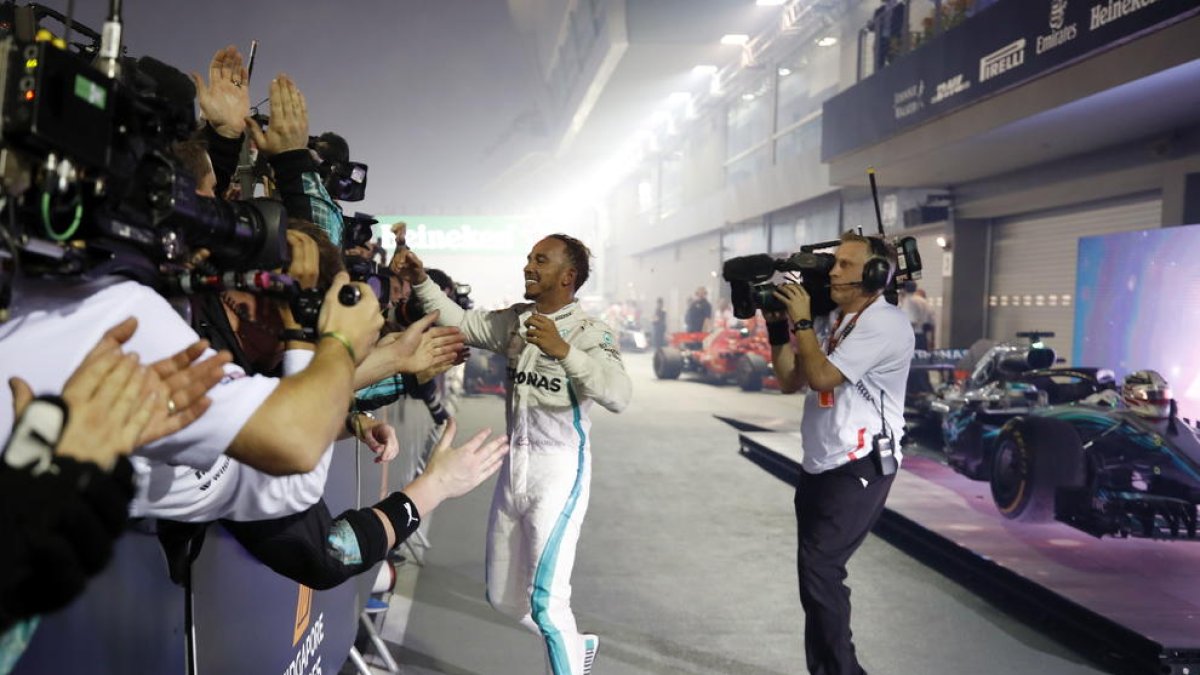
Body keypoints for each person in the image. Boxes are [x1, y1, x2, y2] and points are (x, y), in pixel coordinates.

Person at [394, 233, 632, 675]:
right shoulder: (516, 322)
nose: (527, 266)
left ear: (568, 276)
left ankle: (566, 654)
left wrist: (563, 351)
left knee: (547, 602)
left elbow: (619, 395)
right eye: (528, 258)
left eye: (540, 260)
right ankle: (575, 645)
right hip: (514, 469)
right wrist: (423, 282)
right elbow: (462, 322)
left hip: (560, 469)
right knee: (505, 600)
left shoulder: (591, 332)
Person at [766, 231, 914, 675]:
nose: (833, 272)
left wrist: (805, 323)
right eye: (835, 264)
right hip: (822, 463)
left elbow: (824, 377)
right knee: (815, 580)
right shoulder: (844, 321)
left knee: (821, 573)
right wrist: (779, 328)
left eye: (846, 265)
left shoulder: (884, 324)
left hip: (859, 462)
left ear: (874, 275)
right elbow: (793, 379)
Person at [899, 280, 935, 350]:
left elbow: (912, 322)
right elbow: (932, 323)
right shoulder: (924, 302)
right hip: (922, 338)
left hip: (910, 337)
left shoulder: (907, 302)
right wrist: (932, 340)